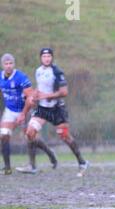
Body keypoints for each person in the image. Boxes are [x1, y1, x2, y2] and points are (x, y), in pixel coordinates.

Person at [18, 48, 88, 177]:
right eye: (44, 56)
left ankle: (82, 162)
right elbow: (40, 89)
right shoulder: (38, 71)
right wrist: (34, 95)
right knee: (30, 133)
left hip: (57, 109)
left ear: (52, 58)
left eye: (49, 56)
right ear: (40, 58)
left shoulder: (57, 72)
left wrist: (46, 96)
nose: (47, 58)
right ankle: (34, 164)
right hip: (43, 109)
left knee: (65, 137)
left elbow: (64, 92)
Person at [0, 53, 56, 175]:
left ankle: (48, 153)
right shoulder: (0, 77)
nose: (8, 66)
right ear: (2, 65)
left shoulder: (20, 77)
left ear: (14, 64)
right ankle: (7, 168)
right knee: (4, 135)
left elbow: (30, 97)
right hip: (10, 110)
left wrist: (23, 114)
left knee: (30, 136)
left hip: (24, 109)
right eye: (6, 64)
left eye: (10, 63)